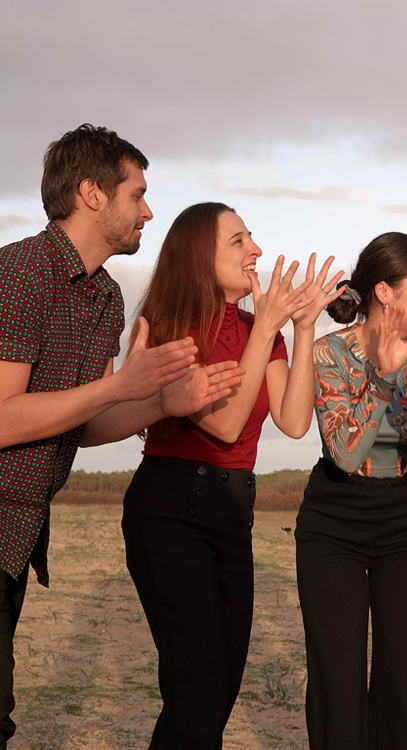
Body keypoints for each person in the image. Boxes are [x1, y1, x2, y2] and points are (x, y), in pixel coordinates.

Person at [0, 126, 242, 749]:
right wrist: (119, 387)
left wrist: (161, 400)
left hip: (20, 528)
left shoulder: (105, 295)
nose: (148, 210)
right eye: (137, 194)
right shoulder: (24, 272)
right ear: (91, 194)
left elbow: (81, 426)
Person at [119, 201, 342, 749]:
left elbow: (292, 421)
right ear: (201, 255)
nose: (256, 252)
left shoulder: (257, 330)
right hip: (172, 509)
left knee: (216, 694)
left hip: (231, 511)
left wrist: (304, 327)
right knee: (197, 696)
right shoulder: (176, 328)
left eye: (253, 239)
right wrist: (267, 325)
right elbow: (223, 424)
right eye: (239, 241)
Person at [295, 231, 407, 750]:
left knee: (406, 680)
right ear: (385, 293)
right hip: (333, 521)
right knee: (337, 682)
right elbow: (345, 453)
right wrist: (386, 378)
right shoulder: (330, 353)